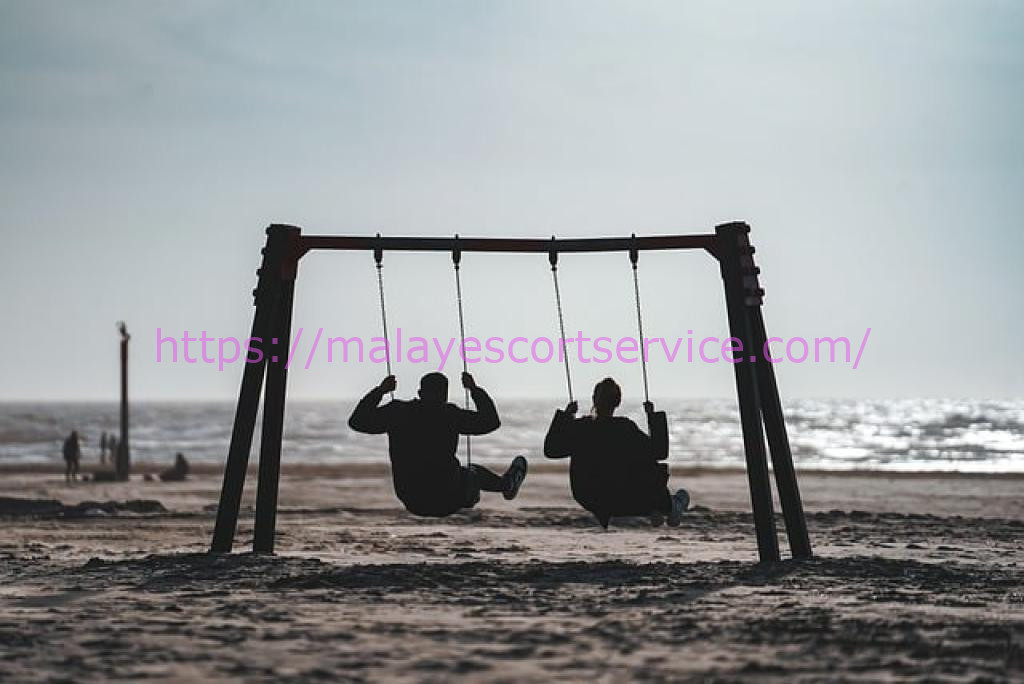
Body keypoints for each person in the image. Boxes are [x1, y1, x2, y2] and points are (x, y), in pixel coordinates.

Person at [348, 372, 528, 517]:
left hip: (412, 499)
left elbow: (357, 421)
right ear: (445, 396)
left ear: (419, 393)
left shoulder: (398, 412)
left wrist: (380, 391)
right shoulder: (449, 414)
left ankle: (503, 485)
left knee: (466, 473)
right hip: (449, 499)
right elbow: (491, 422)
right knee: (473, 472)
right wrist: (474, 390)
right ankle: (507, 485)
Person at [544, 377, 689, 528]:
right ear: (618, 402)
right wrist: (652, 416)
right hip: (625, 497)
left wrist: (566, 417)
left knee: (639, 457)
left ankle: (660, 508)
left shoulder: (581, 428)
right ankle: (665, 506)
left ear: (594, 399)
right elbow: (659, 452)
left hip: (588, 495)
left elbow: (551, 450)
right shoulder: (624, 428)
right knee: (648, 460)